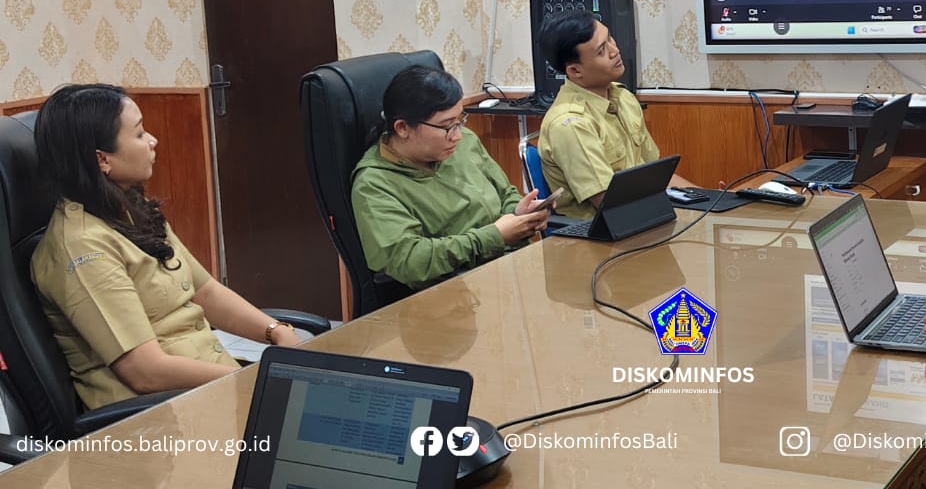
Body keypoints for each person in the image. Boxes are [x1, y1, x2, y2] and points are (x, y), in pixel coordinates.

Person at [30, 84, 303, 411]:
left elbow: (206, 292)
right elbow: (145, 372)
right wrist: (254, 381)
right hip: (158, 415)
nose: (153, 140)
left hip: (210, 386)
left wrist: (275, 332)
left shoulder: (129, 208)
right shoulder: (82, 249)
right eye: (139, 133)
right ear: (102, 159)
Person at [351, 65, 549, 290]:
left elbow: (505, 193)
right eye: (446, 126)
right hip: (457, 290)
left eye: (460, 121)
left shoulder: (463, 142)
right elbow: (409, 260)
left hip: (512, 269)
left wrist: (519, 214)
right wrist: (495, 237)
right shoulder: (374, 184)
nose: (457, 136)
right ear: (403, 127)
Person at [538, 10, 692, 220]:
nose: (615, 51)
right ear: (575, 71)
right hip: (604, 233)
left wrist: (710, 198)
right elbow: (610, 203)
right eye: (601, 51)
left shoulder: (623, 97)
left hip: (646, 217)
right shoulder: (570, 124)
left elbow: (656, 177)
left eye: (609, 38)